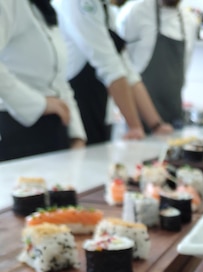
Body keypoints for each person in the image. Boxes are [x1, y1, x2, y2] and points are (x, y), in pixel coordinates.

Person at [53, 0, 173, 145]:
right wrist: (135, 127)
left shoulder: (105, 9)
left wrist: (156, 125)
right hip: (74, 114)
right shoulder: (79, 3)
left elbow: (128, 72)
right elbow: (109, 66)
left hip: (97, 111)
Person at [0, 0, 86, 162]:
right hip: (19, 132)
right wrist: (41, 103)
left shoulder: (45, 10)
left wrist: (76, 135)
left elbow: (60, 80)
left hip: (56, 130)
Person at [116, 0, 198, 129]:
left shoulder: (189, 22)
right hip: (138, 117)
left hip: (173, 116)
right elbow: (121, 65)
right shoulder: (136, 12)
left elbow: (184, 68)